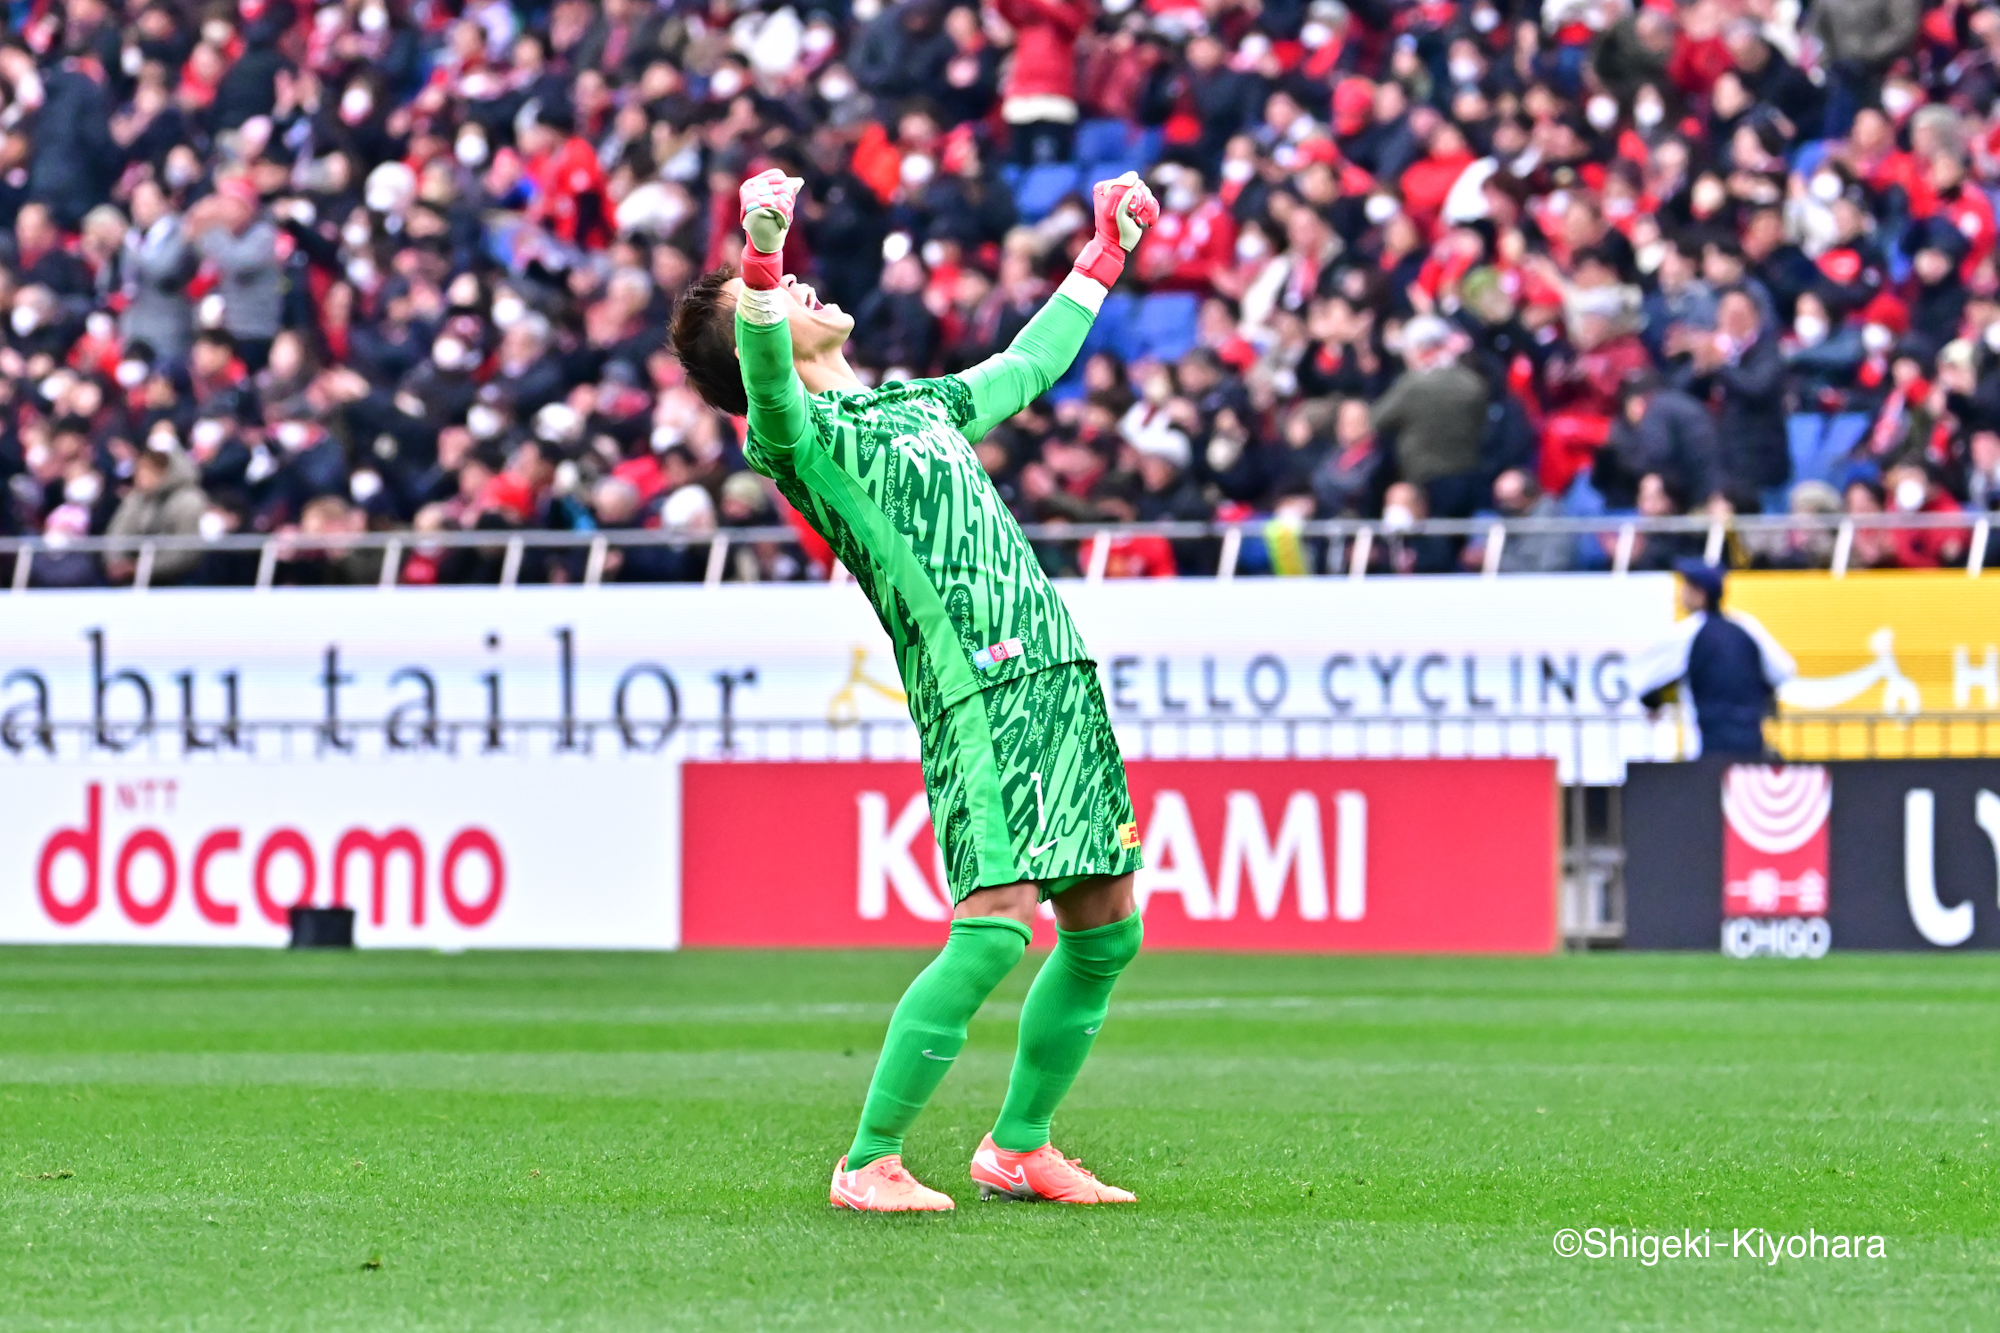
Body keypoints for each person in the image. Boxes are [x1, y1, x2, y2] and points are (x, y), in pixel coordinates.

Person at [670, 168, 1158, 1212]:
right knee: (993, 919)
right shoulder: (794, 431)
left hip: (1055, 669)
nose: (795, 286)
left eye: (785, 276)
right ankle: (867, 1160)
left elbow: (1027, 366)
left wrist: (1102, 255)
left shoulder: (915, 403)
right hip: (973, 685)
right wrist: (755, 257)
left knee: (1106, 921)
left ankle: (1017, 1147)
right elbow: (762, 365)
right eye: (773, 290)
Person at [1632, 559, 1796, 757]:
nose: (1681, 593)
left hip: (1705, 745)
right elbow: (1784, 670)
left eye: (1686, 587)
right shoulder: (1746, 626)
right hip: (1751, 742)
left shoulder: (1689, 631)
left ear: (1700, 594)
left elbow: (1649, 680)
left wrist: (1653, 702)